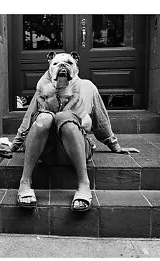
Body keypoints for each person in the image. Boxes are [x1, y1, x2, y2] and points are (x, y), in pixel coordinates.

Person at [10, 51, 140, 211]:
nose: (62, 66)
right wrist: (13, 146)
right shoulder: (42, 89)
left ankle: (84, 183)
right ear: (50, 68)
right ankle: (25, 181)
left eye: (68, 63)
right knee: (43, 119)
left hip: (73, 149)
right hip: (45, 151)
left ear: (76, 67)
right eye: (57, 64)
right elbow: (28, 119)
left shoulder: (87, 87)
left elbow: (101, 121)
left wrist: (115, 146)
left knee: (66, 118)